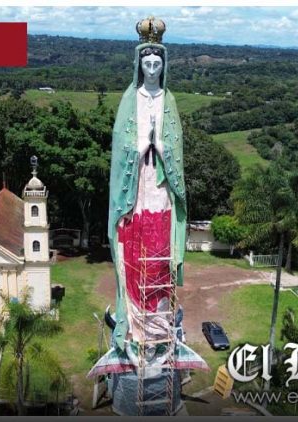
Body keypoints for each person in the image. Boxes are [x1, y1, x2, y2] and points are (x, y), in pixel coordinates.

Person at [89, 16, 206, 379]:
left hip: (161, 190)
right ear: (139, 64)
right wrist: (140, 146)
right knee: (133, 257)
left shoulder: (169, 100)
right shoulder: (131, 99)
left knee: (159, 259)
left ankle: (159, 332)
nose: (152, 69)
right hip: (135, 192)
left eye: (157, 63)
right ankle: (135, 332)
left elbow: (176, 147)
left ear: (164, 66)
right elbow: (120, 146)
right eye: (147, 63)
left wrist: (162, 148)